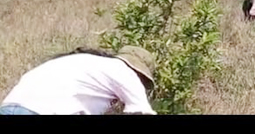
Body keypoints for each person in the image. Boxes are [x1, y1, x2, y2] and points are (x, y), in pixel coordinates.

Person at [0, 46, 156, 115]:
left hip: (9, 107)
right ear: (139, 73)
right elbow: (142, 112)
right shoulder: (125, 72)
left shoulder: (86, 62)